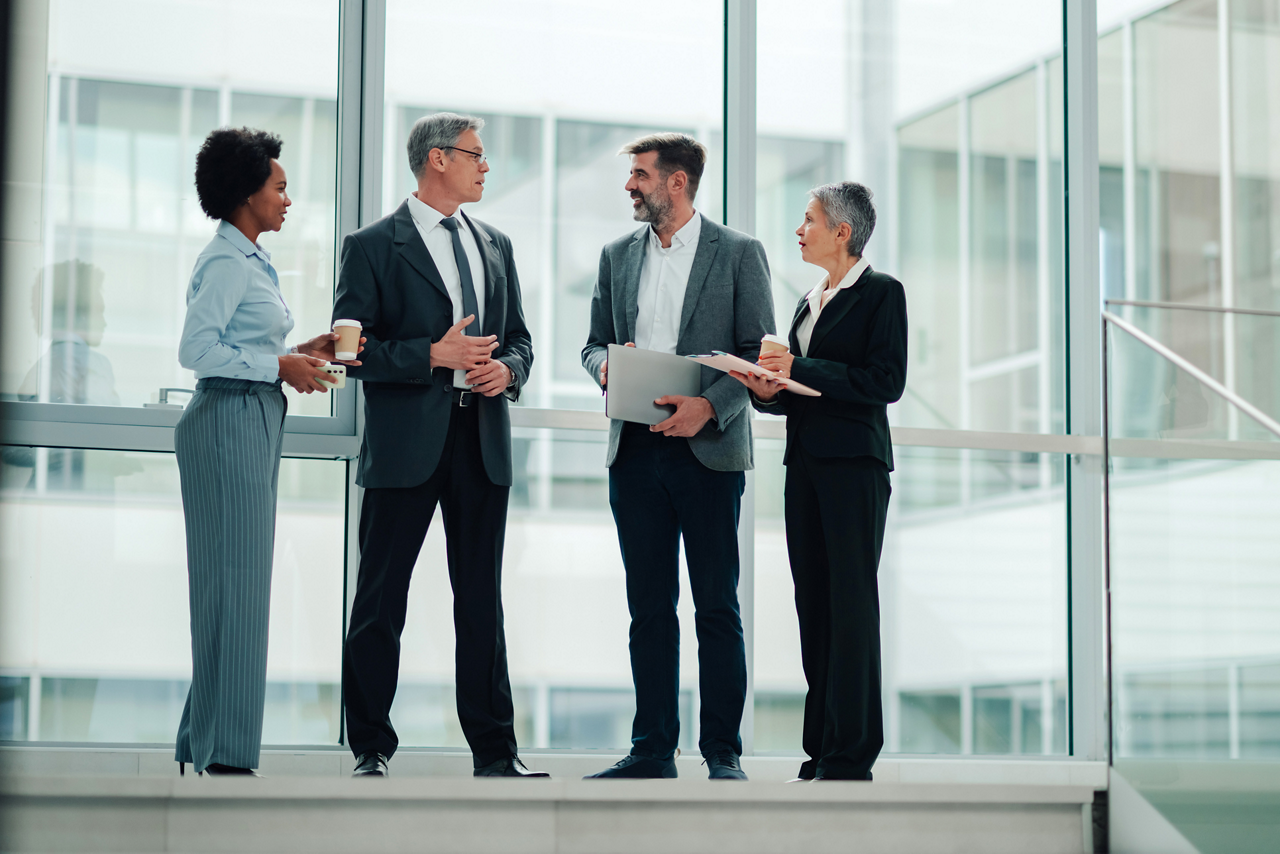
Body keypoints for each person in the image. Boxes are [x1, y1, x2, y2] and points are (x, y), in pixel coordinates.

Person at [334, 113, 542, 779]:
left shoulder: (495, 244)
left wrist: (507, 370)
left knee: (481, 600)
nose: (486, 166)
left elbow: (521, 340)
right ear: (437, 159)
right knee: (380, 599)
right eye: (476, 155)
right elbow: (351, 352)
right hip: (405, 447)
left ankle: (496, 752)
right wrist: (432, 355)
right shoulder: (371, 245)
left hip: (480, 439)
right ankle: (370, 747)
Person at [581, 133, 775, 780]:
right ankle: (652, 750)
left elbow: (757, 353)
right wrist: (604, 365)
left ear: (677, 182)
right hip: (635, 449)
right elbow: (593, 344)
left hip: (708, 451)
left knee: (716, 606)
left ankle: (722, 752)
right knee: (649, 609)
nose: (629, 186)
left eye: (640, 175)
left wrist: (710, 407)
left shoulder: (739, 253)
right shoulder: (616, 256)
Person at [175, 127, 363, 776]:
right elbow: (197, 351)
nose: (288, 199)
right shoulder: (227, 262)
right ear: (246, 192)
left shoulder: (249, 258)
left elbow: (246, 346)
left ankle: (207, 744)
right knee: (234, 585)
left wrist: (298, 355)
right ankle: (225, 756)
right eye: (279, 188)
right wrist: (278, 366)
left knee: (236, 584)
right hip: (227, 416)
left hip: (249, 415)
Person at [732, 181, 907, 781]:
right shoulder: (808, 301)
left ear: (842, 231)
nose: (798, 230)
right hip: (805, 465)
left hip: (855, 467)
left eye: (808, 219)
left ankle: (852, 754)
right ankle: (821, 750)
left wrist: (798, 366)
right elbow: (803, 392)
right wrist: (766, 391)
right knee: (814, 603)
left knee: (851, 605)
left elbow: (885, 381)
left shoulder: (882, 293)